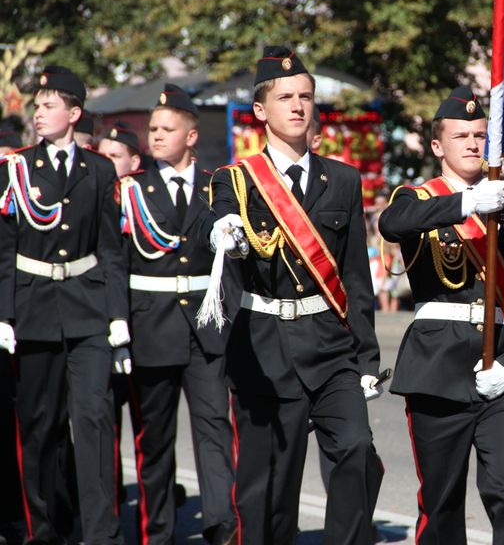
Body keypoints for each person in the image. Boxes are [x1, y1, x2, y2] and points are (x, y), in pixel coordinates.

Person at [204, 46, 383, 545]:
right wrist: (220, 232)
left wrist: (367, 359)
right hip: (264, 345)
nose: (299, 106)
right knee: (269, 489)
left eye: (306, 96)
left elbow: (355, 277)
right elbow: (211, 222)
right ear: (260, 110)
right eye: (286, 97)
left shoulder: (342, 179)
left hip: (329, 344)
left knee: (356, 451)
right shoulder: (236, 181)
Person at [379, 86, 504, 544]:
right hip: (437, 369)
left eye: (480, 135)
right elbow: (392, 224)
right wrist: (466, 204)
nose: (473, 144)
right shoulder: (418, 198)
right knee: (442, 503)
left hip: (501, 369)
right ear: (438, 145)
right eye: (461, 136)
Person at [0, 66, 130, 544]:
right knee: (40, 429)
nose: (38, 112)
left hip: (88, 311)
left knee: (94, 422)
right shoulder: (14, 169)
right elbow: (4, 248)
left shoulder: (97, 170)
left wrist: (118, 317)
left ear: (74, 113)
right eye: (36, 106)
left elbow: (111, 249)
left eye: (49, 105)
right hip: (33, 311)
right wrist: (3, 314)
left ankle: (103, 535)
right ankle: (45, 531)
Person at [119, 84, 237, 545]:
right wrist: (119, 324)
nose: (156, 136)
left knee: (213, 426)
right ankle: (158, 531)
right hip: (152, 324)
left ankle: (221, 524)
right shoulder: (132, 192)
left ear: (191, 136)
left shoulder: (216, 187)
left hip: (205, 327)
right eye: (152, 129)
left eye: (167, 129)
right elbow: (118, 261)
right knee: (155, 439)